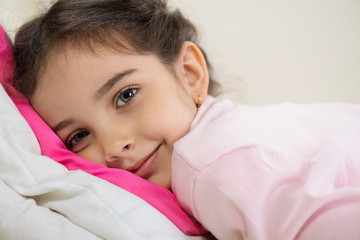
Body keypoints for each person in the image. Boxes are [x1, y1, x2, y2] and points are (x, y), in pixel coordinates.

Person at [12, 0, 360, 239]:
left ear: (190, 73)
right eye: (79, 136)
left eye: (126, 95)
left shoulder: (212, 165)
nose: (115, 146)